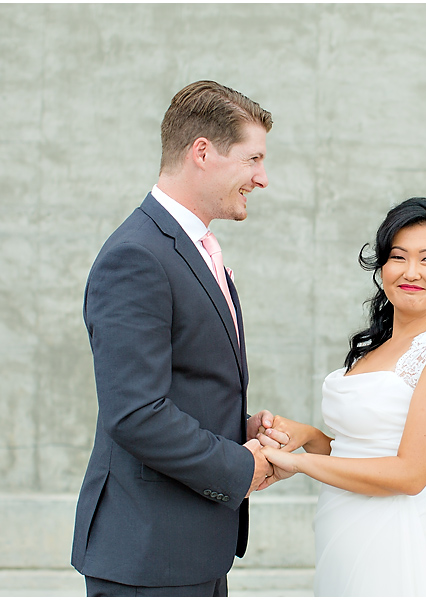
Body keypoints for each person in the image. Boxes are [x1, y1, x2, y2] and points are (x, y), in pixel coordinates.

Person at [71, 80, 286, 596]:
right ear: (203, 153)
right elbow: (136, 412)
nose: (262, 178)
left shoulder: (193, 249)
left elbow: (181, 385)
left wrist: (240, 426)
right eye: (253, 159)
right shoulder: (138, 256)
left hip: (191, 549)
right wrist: (241, 465)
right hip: (149, 557)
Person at [258, 197, 426, 596]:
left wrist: (297, 465)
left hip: (391, 540)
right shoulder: (375, 347)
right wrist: (307, 436)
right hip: (340, 528)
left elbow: (409, 475)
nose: (410, 272)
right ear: (382, 268)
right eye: (397, 257)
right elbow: (354, 455)